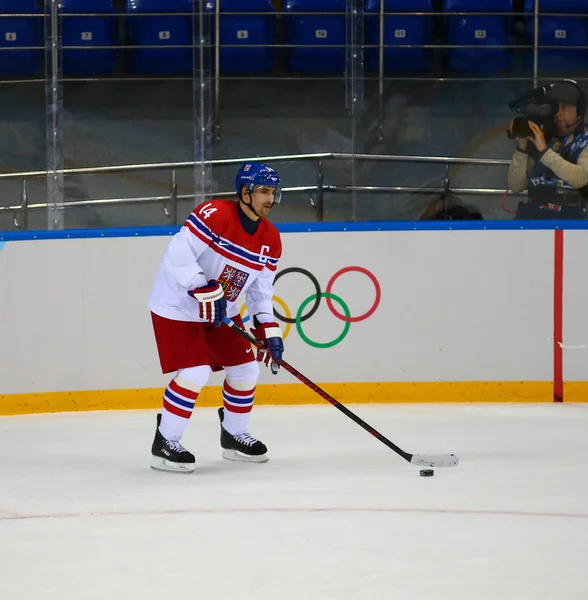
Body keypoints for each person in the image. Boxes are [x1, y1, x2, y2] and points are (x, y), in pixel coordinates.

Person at [147, 162, 284, 473]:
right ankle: (165, 442)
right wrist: (201, 285)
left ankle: (234, 435)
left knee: (247, 369)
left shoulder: (271, 239)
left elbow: (261, 291)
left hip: (223, 311)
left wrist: (269, 329)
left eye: (273, 192)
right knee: (195, 372)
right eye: (263, 191)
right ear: (245, 192)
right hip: (178, 307)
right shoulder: (215, 214)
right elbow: (178, 254)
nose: (270, 199)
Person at [508, 79, 588, 219]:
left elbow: (581, 178)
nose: (559, 114)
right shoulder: (542, 135)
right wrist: (522, 147)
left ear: (579, 110)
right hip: (532, 217)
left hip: (569, 219)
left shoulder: (584, 138)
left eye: (565, 107)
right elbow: (515, 186)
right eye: (556, 107)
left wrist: (545, 151)